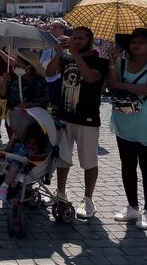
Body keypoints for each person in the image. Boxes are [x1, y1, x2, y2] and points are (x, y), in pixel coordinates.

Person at [108, 28, 147, 230]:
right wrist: (111, 63)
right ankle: (132, 207)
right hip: (123, 120)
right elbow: (111, 85)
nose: (136, 44)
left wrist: (120, 85)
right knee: (127, 166)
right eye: (133, 41)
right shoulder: (122, 62)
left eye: (141, 42)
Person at [45, 26, 108, 219]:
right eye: (74, 37)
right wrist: (59, 53)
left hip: (87, 118)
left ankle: (88, 198)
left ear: (90, 40)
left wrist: (74, 54)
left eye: (80, 38)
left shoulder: (100, 60)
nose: (76, 41)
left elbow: (90, 78)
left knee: (88, 160)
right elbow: (49, 73)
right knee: (63, 158)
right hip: (65, 116)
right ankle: (61, 192)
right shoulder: (66, 57)